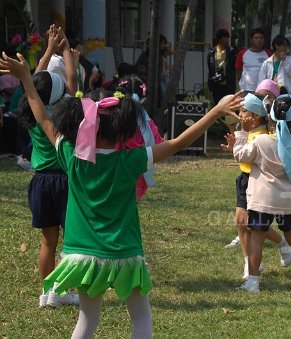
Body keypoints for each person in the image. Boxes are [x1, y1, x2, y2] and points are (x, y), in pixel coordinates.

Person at [1, 51, 242, 337]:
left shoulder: (69, 154)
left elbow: (43, 118)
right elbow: (177, 142)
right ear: (122, 127)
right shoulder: (132, 159)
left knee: (87, 321)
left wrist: (27, 80)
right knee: (140, 318)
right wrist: (215, 111)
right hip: (124, 253)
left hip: (81, 255)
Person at [17, 24, 78, 307]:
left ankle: (47, 293)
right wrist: (65, 51)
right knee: (72, 242)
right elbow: (72, 83)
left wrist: (49, 50)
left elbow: (33, 83)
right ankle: (65, 291)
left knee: (47, 242)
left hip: (40, 182)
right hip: (64, 181)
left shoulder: (32, 109)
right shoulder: (62, 111)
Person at [229, 94, 291, 292]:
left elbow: (241, 155)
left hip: (262, 199)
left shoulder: (261, 142)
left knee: (256, 237)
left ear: (270, 117)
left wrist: (241, 136)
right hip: (287, 201)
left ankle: (253, 282)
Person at [220, 90, 291, 280]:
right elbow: (243, 157)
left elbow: (248, 155)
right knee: (241, 222)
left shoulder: (262, 136)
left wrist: (240, 140)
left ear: (256, 116)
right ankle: (251, 262)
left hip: (257, 184)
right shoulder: (251, 132)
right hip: (244, 179)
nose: (241, 115)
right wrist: (235, 145)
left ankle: (278, 246)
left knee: (250, 224)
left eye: (244, 111)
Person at [115, 75, 164, 201]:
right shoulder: (147, 123)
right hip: (139, 175)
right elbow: (158, 143)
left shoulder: (112, 120)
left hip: (114, 172)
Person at [235, 28, 272, 94]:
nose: (259, 40)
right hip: (246, 89)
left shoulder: (269, 54)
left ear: (264, 40)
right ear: (251, 40)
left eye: (261, 38)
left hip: (263, 90)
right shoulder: (242, 53)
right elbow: (238, 70)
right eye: (256, 38)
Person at [207, 29, 237, 105]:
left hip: (228, 83)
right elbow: (210, 67)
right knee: (217, 104)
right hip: (216, 83)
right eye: (225, 38)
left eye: (228, 38)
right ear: (219, 39)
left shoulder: (232, 51)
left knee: (229, 104)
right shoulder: (212, 52)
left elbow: (234, 66)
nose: (227, 40)